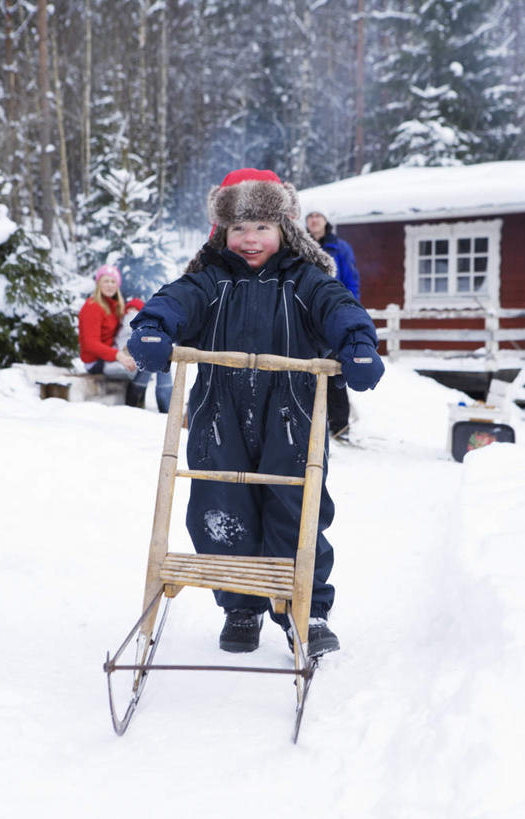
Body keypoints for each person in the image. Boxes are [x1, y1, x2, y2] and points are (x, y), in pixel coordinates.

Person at [127, 168, 384, 657]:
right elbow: (175, 299)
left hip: (291, 416)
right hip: (217, 414)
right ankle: (240, 605)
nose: (250, 239)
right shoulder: (209, 282)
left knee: (296, 510)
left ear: (284, 228)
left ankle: (303, 608)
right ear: (222, 232)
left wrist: (358, 342)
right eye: (239, 228)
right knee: (222, 511)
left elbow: (339, 305)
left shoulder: (304, 281)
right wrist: (154, 327)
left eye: (262, 227)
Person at [306, 211, 360, 441]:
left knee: (335, 371)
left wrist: (350, 312)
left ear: (327, 220)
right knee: (305, 369)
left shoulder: (341, 248)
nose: (314, 220)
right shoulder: (300, 246)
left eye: (319, 215)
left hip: (332, 315)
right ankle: (308, 424)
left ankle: (339, 427)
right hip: (306, 315)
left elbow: (351, 282)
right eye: (310, 216)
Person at [78, 264, 151, 407]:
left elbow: (129, 316)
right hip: (96, 362)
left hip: (109, 356)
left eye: (113, 282)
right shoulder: (92, 306)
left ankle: (143, 402)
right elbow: (90, 344)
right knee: (146, 363)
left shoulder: (113, 306)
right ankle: (133, 404)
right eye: (106, 281)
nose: (110, 285)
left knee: (153, 356)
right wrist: (119, 356)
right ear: (98, 284)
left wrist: (134, 305)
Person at [115, 297, 173, 412]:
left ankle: (137, 403)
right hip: (124, 356)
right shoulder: (132, 317)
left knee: (156, 357)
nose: (132, 311)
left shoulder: (127, 317)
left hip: (126, 353)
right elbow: (129, 338)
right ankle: (166, 408)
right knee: (159, 360)